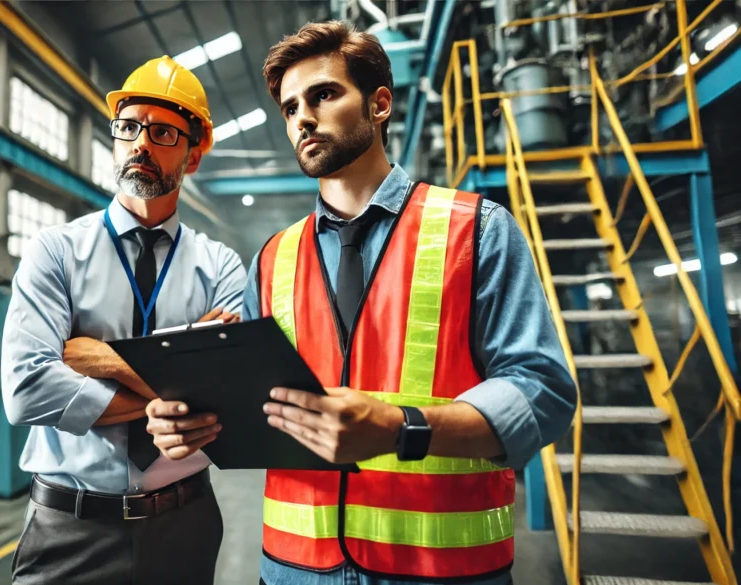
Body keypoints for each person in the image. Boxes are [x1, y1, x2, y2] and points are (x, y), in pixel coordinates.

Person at [144, 21, 577, 585]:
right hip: (295, 567)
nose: (302, 116)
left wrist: (403, 428)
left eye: (323, 94)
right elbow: (253, 402)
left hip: (438, 568)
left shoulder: (476, 231)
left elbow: (542, 392)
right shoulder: (273, 258)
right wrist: (189, 422)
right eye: (289, 106)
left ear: (379, 105)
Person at [0, 55, 247, 585]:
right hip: (69, 525)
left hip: (185, 523)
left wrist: (96, 356)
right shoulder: (55, 251)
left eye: (162, 132)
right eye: (129, 127)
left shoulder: (220, 265)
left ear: (193, 155)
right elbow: (26, 389)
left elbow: (227, 395)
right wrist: (176, 383)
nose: (140, 144)